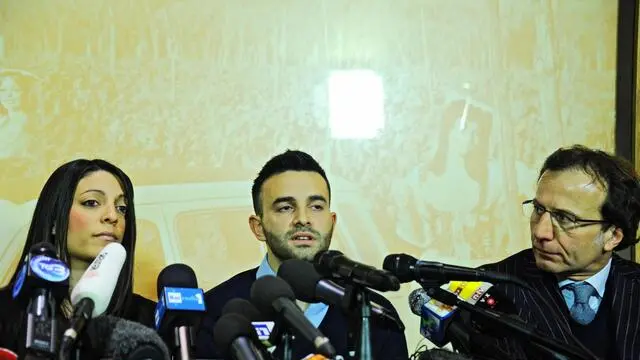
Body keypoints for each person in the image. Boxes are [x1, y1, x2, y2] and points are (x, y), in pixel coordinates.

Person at [195, 149, 408, 360]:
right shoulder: (217, 312)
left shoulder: (373, 315)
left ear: (332, 222)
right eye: (286, 208)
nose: (303, 219)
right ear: (258, 227)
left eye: (316, 206)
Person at [481, 145, 640, 360]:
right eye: (538, 209)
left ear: (612, 236)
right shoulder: (492, 288)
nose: (541, 232)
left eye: (565, 218)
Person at [0, 159, 157, 358]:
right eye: (91, 203)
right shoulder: (6, 314)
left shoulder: (147, 321)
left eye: (121, 208)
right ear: (55, 220)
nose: (112, 216)